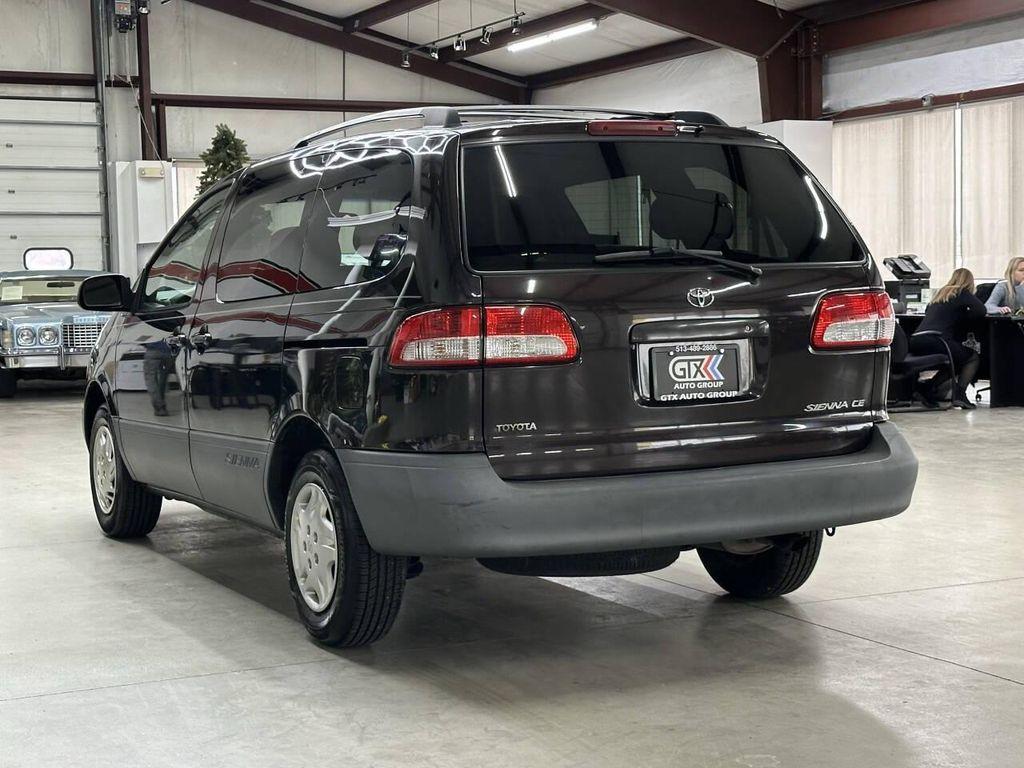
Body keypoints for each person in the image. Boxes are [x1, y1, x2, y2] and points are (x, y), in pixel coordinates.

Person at [909, 268, 986, 409]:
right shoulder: (962, 292)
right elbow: (981, 310)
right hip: (937, 340)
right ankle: (960, 395)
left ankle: (926, 388)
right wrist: (965, 318)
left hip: (916, 340)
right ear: (969, 282)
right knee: (972, 357)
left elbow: (928, 312)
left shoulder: (940, 294)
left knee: (956, 360)